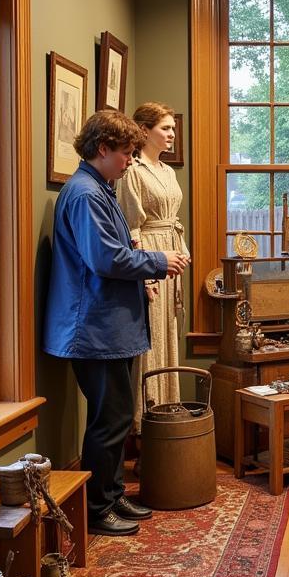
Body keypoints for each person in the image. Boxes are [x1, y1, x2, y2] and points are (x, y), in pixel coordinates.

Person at [43, 110, 190, 537]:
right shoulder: (86, 194)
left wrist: (145, 272)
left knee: (118, 415)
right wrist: (159, 262)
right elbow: (105, 258)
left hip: (107, 326)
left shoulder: (100, 188)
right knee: (110, 419)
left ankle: (112, 492)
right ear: (102, 149)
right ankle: (97, 508)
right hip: (92, 328)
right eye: (125, 153)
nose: (130, 160)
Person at [116, 103, 190, 427]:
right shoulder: (132, 170)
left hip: (171, 258)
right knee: (151, 342)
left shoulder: (167, 171)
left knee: (167, 337)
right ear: (144, 131)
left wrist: (181, 249)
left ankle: (167, 417)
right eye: (165, 128)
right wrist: (144, 276)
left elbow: (172, 220)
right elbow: (131, 226)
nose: (172, 134)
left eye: (173, 128)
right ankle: (146, 420)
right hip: (151, 259)